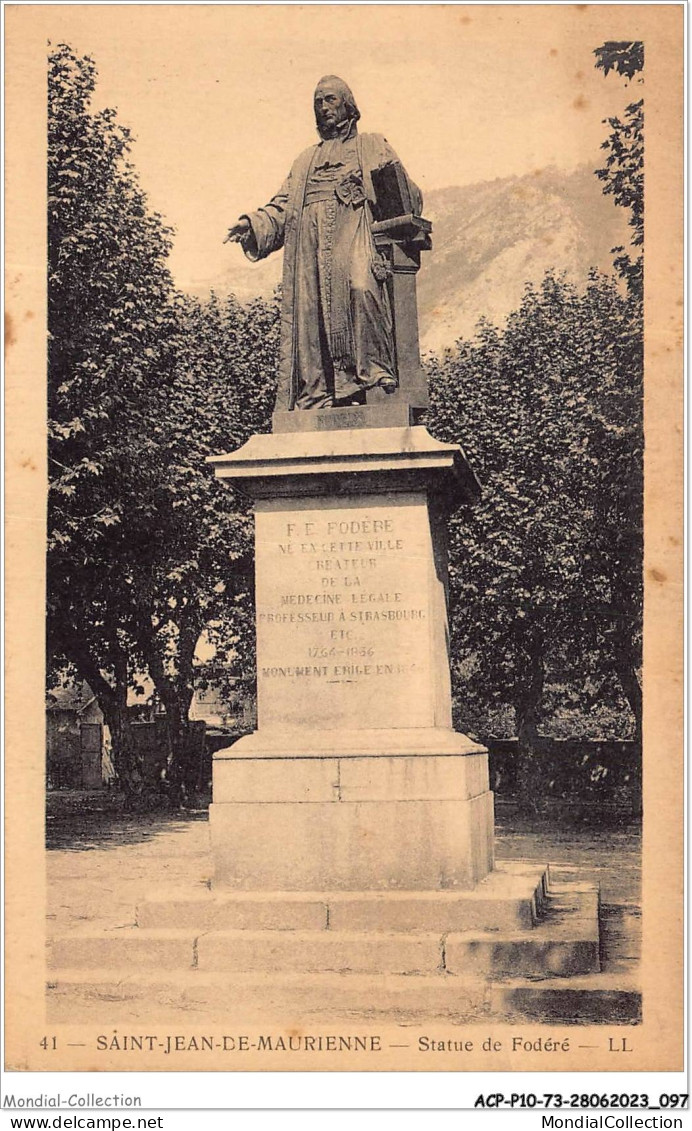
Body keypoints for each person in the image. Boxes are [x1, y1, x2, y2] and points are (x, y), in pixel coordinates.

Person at [226, 76, 422, 411]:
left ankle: (373, 374)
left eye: (330, 99)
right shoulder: (304, 161)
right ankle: (316, 393)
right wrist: (254, 223)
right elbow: (283, 206)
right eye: (317, 102)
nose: (323, 107)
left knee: (361, 287)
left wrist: (391, 177)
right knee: (309, 312)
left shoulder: (372, 144)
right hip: (309, 247)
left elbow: (409, 198)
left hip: (355, 235)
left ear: (349, 104)